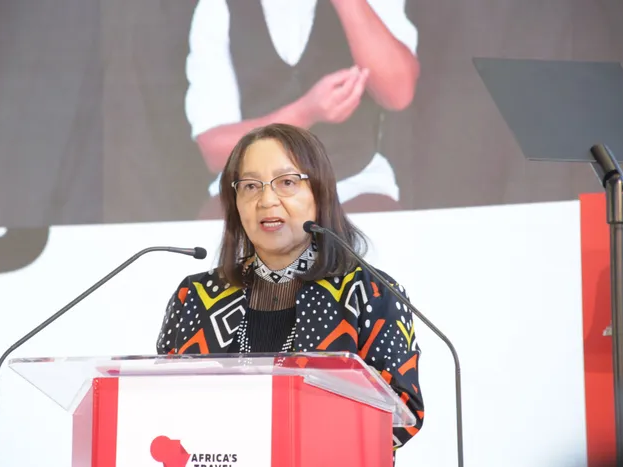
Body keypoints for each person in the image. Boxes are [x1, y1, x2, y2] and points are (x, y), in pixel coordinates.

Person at [156, 123, 424, 452]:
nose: (267, 200)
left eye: (286, 182)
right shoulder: (196, 296)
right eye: (250, 186)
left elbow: (402, 416)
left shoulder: (371, 292)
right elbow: (162, 402)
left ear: (319, 193)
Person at [184, 0, 420, 219]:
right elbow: (214, 150)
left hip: (353, 185)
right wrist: (305, 112)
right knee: (219, 233)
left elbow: (398, 94)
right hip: (254, 190)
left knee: (369, 237)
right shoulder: (218, 7)